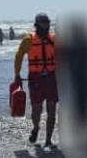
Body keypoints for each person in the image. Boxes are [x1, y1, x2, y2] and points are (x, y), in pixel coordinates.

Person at [14, 13, 58, 148]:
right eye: (42, 22)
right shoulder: (28, 39)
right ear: (37, 24)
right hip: (36, 79)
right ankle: (36, 128)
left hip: (52, 78)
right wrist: (17, 74)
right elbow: (19, 56)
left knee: (52, 109)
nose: (45, 25)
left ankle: (48, 140)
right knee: (36, 110)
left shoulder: (55, 39)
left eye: (47, 22)